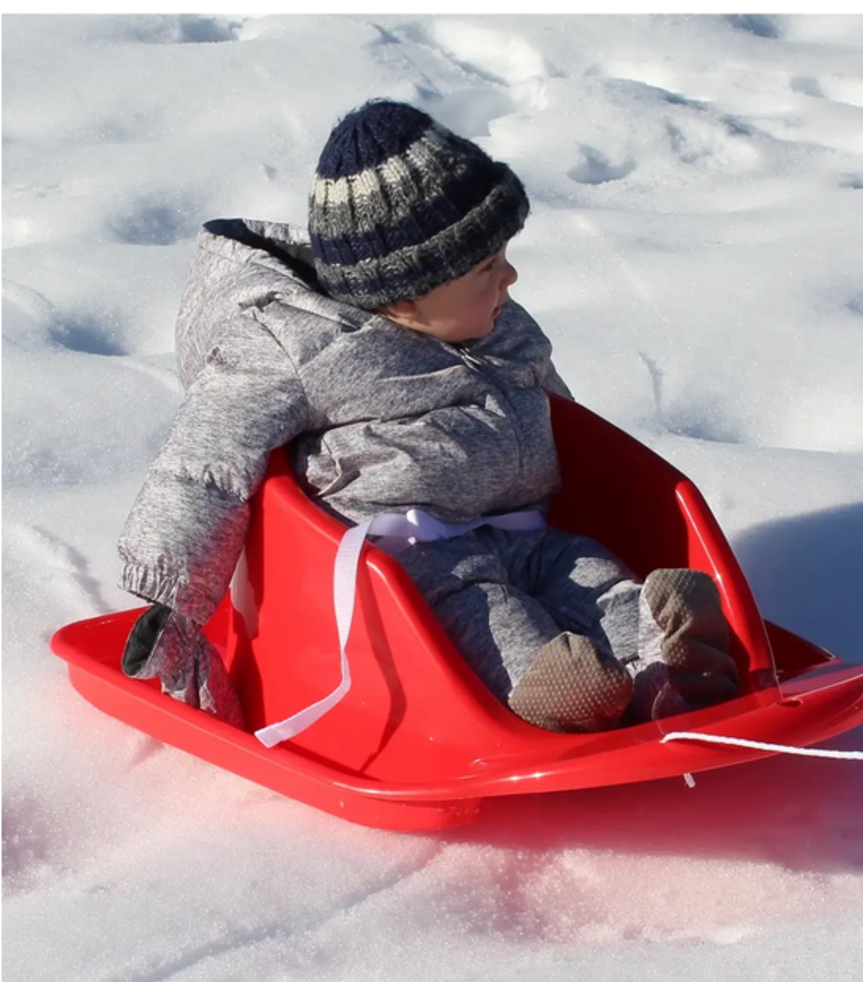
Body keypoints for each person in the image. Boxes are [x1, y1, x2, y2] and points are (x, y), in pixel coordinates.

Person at [118, 99, 738, 735]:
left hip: (529, 534)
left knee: (594, 578)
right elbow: (205, 464)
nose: (512, 277)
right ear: (407, 293)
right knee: (485, 617)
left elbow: (560, 418)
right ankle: (553, 688)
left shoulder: (497, 325)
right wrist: (175, 601)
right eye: (486, 268)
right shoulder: (299, 345)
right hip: (411, 566)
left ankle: (668, 667)